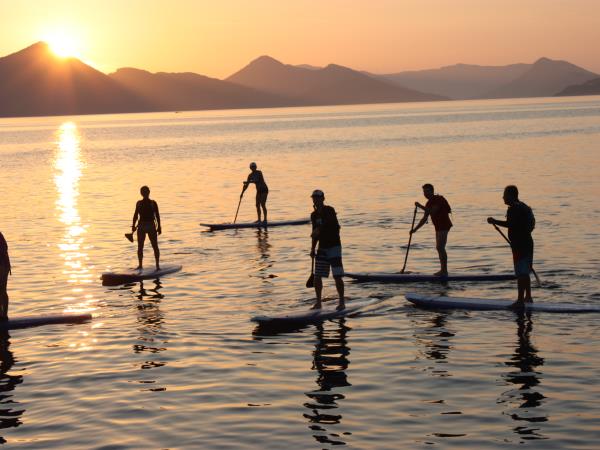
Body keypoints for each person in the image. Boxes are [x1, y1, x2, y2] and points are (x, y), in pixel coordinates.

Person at [487, 185, 535, 308]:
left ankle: (520, 301)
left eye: (504, 194)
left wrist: (494, 221)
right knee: (525, 271)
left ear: (510, 195)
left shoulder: (514, 209)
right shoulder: (524, 206)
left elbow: (510, 224)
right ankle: (528, 297)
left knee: (521, 273)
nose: (503, 197)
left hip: (519, 245)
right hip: (528, 242)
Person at [310, 189, 345, 310]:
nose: (316, 199)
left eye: (318, 197)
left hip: (334, 246)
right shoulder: (313, 215)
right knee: (317, 276)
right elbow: (314, 233)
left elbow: (330, 223)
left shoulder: (329, 210)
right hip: (322, 247)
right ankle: (318, 302)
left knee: (337, 276)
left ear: (323, 199)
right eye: (314, 198)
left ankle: (341, 302)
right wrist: (312, 249)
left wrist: (319, 229)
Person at [410, 183, 452, 276]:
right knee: (439, 248)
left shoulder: (438, 199)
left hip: (444, 225)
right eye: (424, 192)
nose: (425, 194)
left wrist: (420, 206)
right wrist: (415, 229)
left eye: (427, 191)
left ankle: (444, 271)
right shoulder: (429, 203)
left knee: (440, 247)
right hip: (438, 227)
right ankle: (443, 270)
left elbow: (432, 211)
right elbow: (424, 218)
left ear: (432, 191)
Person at [132, 186, 162, 270]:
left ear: (149, 192)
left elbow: (157, 215)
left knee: (155, 246)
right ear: (141, 193)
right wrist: (133, 225)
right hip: (141, 226)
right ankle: (140, 265)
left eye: (146, 191)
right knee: (140, 246)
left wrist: (159, 227)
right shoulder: (138, 203)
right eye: (143, 192)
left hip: (151, 225)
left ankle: (157, 265)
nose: (144, 193)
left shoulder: (153, 203)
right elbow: (135, 215)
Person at [0, 232, 10, 321]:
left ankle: (4, 315)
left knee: (2, 290)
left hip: (3, 265)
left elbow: (4, 250)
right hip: (4, 265)